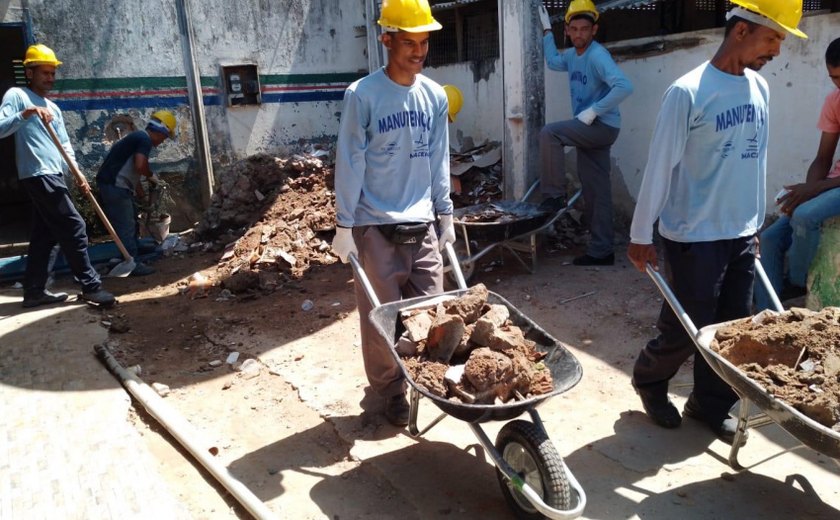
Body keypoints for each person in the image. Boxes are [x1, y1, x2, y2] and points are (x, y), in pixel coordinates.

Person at [626, 0, 806, 445]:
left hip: (740, 234)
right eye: (772, 38)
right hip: (692, 235)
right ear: (742, 30)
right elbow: (659, 166)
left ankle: (708, 405)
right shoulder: (688, 92)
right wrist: (639, 233)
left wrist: (757, 225)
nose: (777, 52)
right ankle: (650, 381)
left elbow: (756, 161)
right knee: (687, 328)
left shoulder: (759, 90)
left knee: (731, 329)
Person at [331, 0, 455, 427]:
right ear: (386, 40)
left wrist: (446, 214)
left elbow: (439, 159)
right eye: (408, 43)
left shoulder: (434, 96)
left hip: (421, 223)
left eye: (423, 43)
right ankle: (388, 391)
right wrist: (344, 224)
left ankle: (426, 378)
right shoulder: (363, 95)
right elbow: (350, 161)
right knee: (382, 319)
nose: (418, 52)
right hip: (375, 225)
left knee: (432, 314)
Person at [0, 44, 115, 308]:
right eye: (44, 73)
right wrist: (25, 114)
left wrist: (77, 175)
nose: (50, 78)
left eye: (53, 73)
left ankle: (34, 292)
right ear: (29, 73)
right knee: (74, 226)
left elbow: (64, 146)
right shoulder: (17, 95)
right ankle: (90, 285)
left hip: (55, 174)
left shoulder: (54, 108)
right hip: (37, 173)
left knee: (45, 235)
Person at [537, 0, 633, 266]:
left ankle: (553, 196)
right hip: (593, 128)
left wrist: (594, 111)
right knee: (596, 191)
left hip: (601, 127)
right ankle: (602, 251)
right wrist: (547, 32)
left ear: (594, 30)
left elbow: (624, 86)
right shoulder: (572, 55)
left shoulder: (597, 55)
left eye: (585, 29)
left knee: (550, 134)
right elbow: (554, 61)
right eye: (574, 29)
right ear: (567, 30)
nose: (579, 34)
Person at [755, 37, 840, 311]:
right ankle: (768, 313)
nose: (838, 84)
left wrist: (814, 191)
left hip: (834, 187)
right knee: (769, 238)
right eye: (834, 78)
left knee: (804, 216)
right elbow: (823, 157)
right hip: (831, 186)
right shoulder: (834, 101)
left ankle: (798, 281)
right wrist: (808, 190)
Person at [96, 110, 176, 276]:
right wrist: (152, 176)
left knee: (130, 221)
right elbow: (140, 166)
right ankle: (131, 263)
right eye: (165, 137)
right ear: (161, 131)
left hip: (113, 185)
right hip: (115, 186)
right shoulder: (144, 139)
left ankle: (127, 254)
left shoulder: (137, 138)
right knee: (127, 225)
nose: (162, 142)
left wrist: (140, 194)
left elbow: (133, 170)